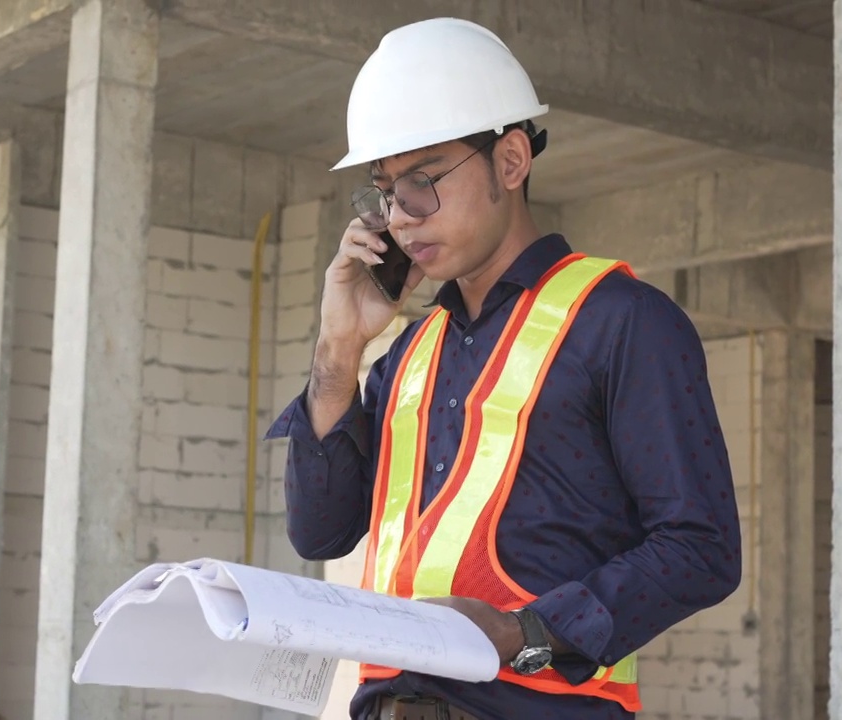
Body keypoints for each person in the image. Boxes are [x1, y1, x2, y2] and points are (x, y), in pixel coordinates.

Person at [264, 17, 743, 720]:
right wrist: (338, 352)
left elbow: (702, 548)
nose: (400, 217)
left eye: (422, 181)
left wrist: (526, 636)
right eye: (386, 190)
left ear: (511, 161)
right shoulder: (408, 352)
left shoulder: (622, 323)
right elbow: (321, 533)